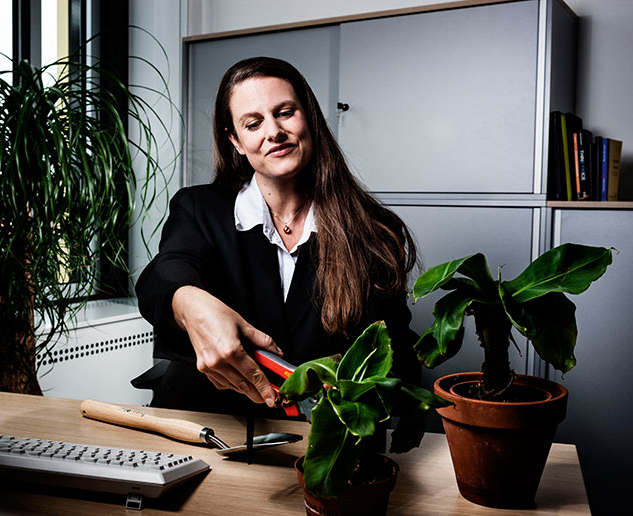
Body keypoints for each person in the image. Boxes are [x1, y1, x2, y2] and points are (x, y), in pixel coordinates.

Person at [136, 57, 420, 416]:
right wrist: (189, 302)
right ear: (236, 141)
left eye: (285, 113)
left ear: (309, 119)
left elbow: (395, 354)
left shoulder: (373, 229)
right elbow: (163, 274)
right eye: (253, 123)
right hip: (208, 423)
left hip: (319, 436)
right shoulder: (198, 208)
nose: (274, 131)